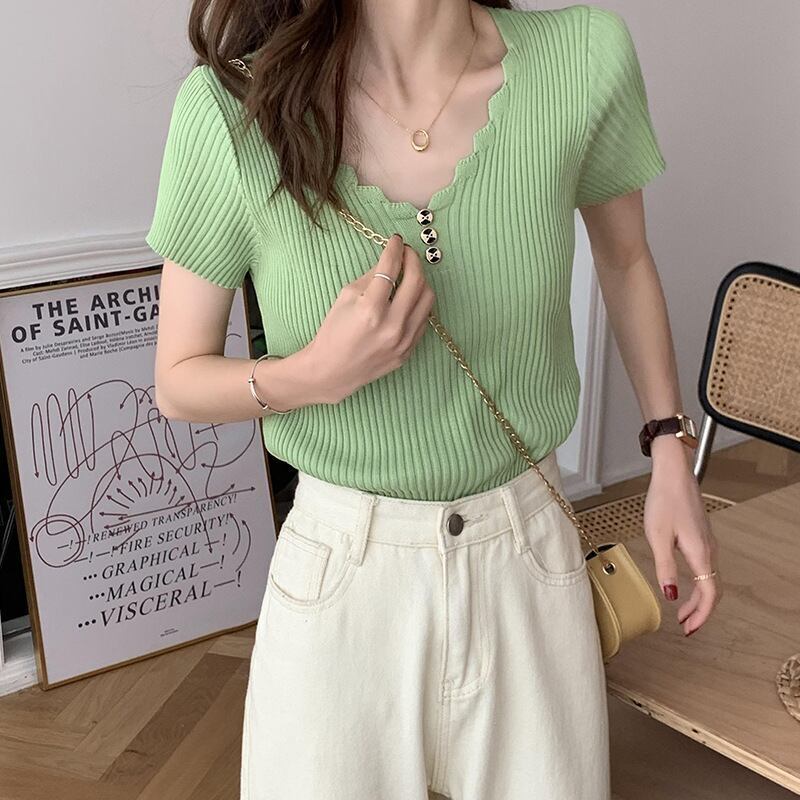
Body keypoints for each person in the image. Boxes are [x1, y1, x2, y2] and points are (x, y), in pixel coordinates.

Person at [145, 1, 721, 797]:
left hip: (528, 558)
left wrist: (670, 453)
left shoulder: (583, 59)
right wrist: (312, 374)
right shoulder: (231, 110)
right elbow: (178, 380)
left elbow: (625, 261)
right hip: (342, 582)